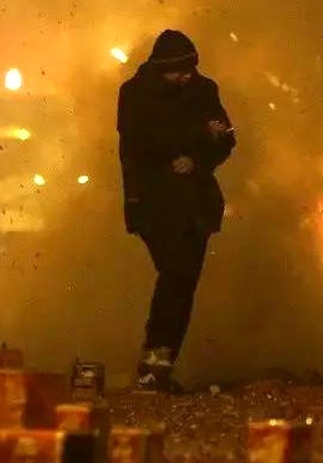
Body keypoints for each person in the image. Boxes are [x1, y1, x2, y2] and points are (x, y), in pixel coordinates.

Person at [117, 29, 235, 393]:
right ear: (160, 69)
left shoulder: (204, 90)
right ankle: (155, 361)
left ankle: (159, 363)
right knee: (176, 274)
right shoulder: (134, 94)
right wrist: (134, 202)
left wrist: (197, 160)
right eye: (180, 70)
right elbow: (132, 151)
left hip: (195, 204)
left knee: (182, 282)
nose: (188, 76)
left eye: (191, 68)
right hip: (154, 202)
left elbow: (225, 138)